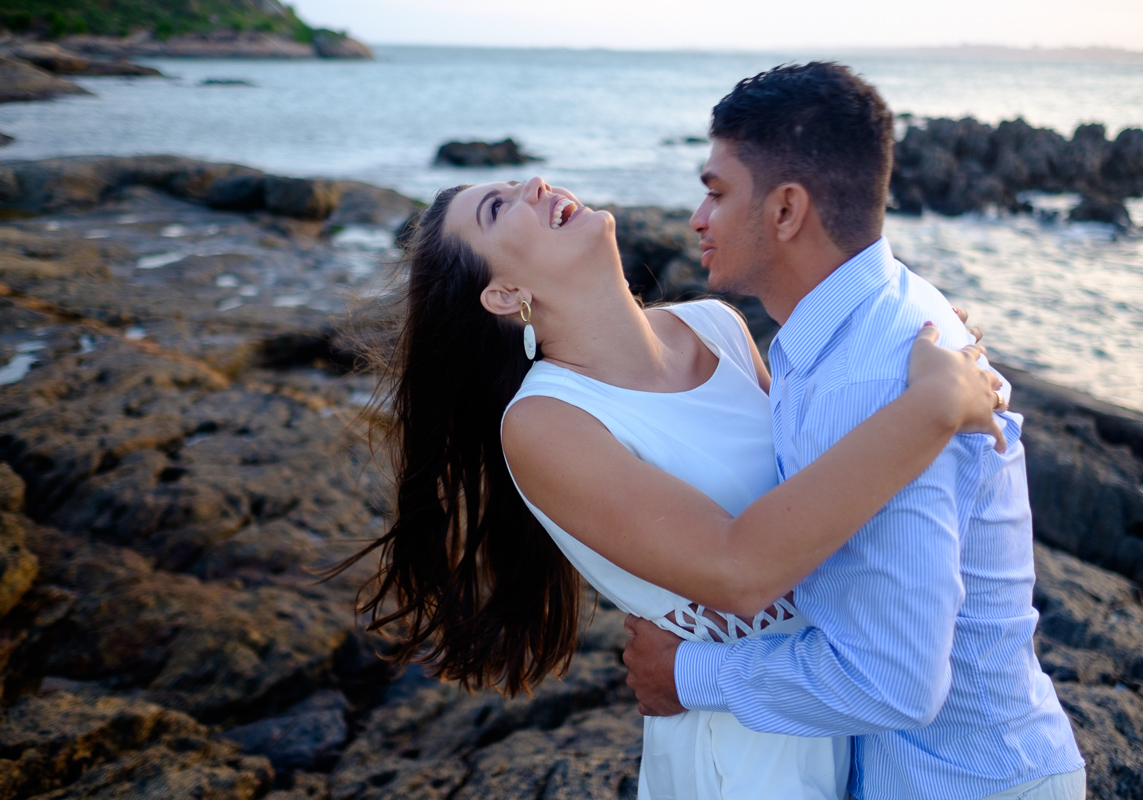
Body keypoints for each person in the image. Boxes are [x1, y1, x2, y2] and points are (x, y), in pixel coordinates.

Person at [344, 159, 1006, 797]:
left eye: (521, 180)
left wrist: (905, 363)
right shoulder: (546, 422)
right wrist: (931, 409)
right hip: (742, 762)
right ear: (504, 295)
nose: (536, 185)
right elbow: (740, 570)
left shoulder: (715, 325)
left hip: (839, 711)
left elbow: (827, 473)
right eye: (498, 206)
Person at [620, 62, 1086, 800]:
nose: (696, 220)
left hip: (967, 784)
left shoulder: (870, 375)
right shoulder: (852, 334)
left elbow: (895, 682)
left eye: (715, 192)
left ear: (785, 211)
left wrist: (687, 674)